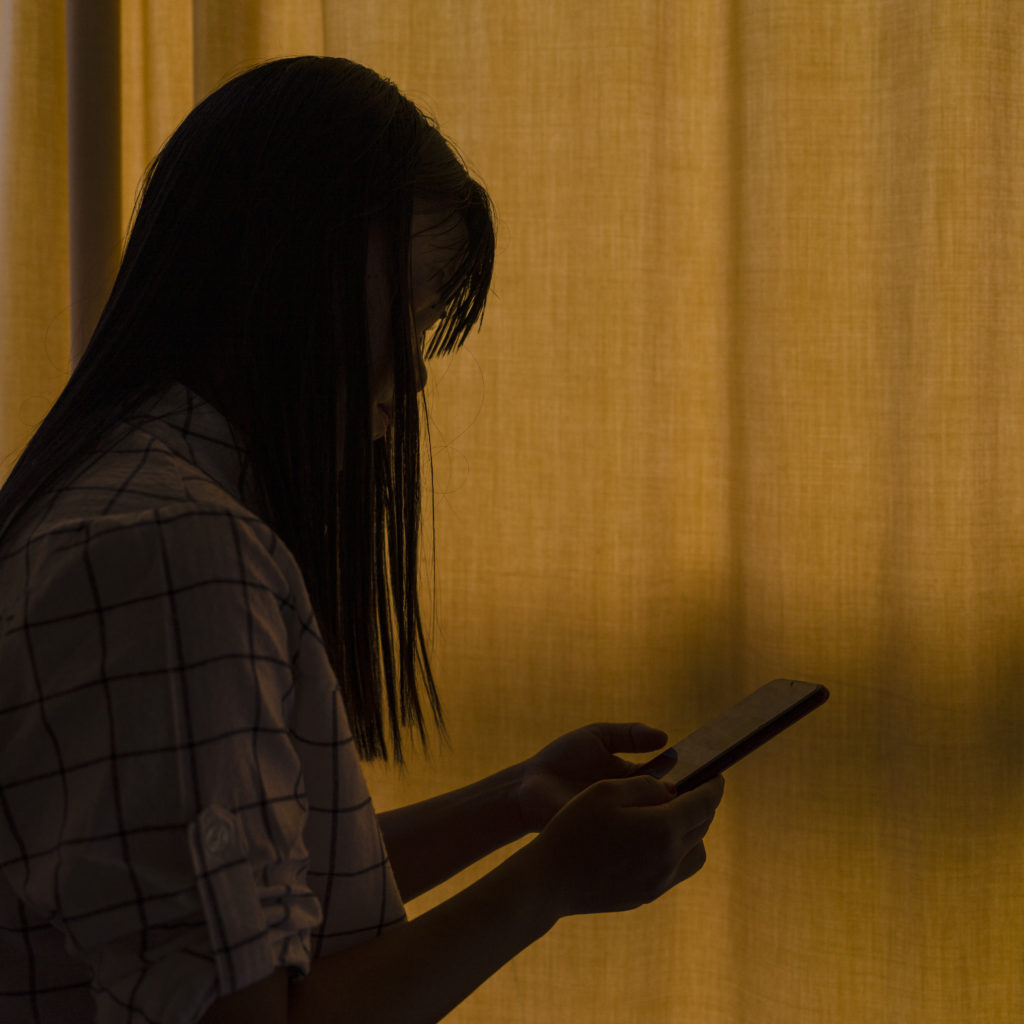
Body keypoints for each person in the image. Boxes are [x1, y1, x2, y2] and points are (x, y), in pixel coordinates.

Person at [0, 56, 725, 1023]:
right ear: (298, 271)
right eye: (414, 312)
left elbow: (258, 909)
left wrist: (517, 801)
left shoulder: (122, 506)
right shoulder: (177, 557)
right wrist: (548, 885)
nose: (413, 383)